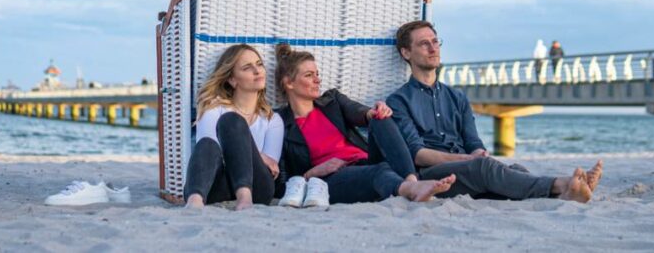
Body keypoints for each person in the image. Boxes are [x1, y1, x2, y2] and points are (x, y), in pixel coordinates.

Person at [386, 21, 603, 203]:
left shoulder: (457, 97)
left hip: (469, 169)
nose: (433, 49)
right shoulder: (398, 101)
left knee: (514, 169)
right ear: (406, 53)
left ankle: (566, 194)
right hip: (433, 175)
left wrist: (478, 152)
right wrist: (467, 159)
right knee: (486, 168)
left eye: (435, 42)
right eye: (424, 44)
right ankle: (563, 183)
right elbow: (418, 155)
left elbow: (473, 143)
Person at [274, 43, 456, 206]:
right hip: (331, 179)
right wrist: (312, 173)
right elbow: (281, 186)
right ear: (289, 83)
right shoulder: (279, 123)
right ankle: (409, 188)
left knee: (380, 117)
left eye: (317, 74)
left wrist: (372, 112)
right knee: (380, 171)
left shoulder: (332, 100)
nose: (317, 80)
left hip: (365, 161)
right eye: (309, 75)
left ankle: (411, 181)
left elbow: (356, 110)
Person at [183, 44, 283, 210]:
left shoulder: (272, 119)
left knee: (232, 121)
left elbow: (271, 167)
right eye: (247, 68)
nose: (257, 71)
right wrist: (257, 153)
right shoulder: (214, 109)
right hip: (217, 187)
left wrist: (249, 149)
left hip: (258, 188)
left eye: (259, 64)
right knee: (213, 137)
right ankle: (194, 201)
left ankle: (245, 199)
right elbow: (209, 149)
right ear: (232, 79)